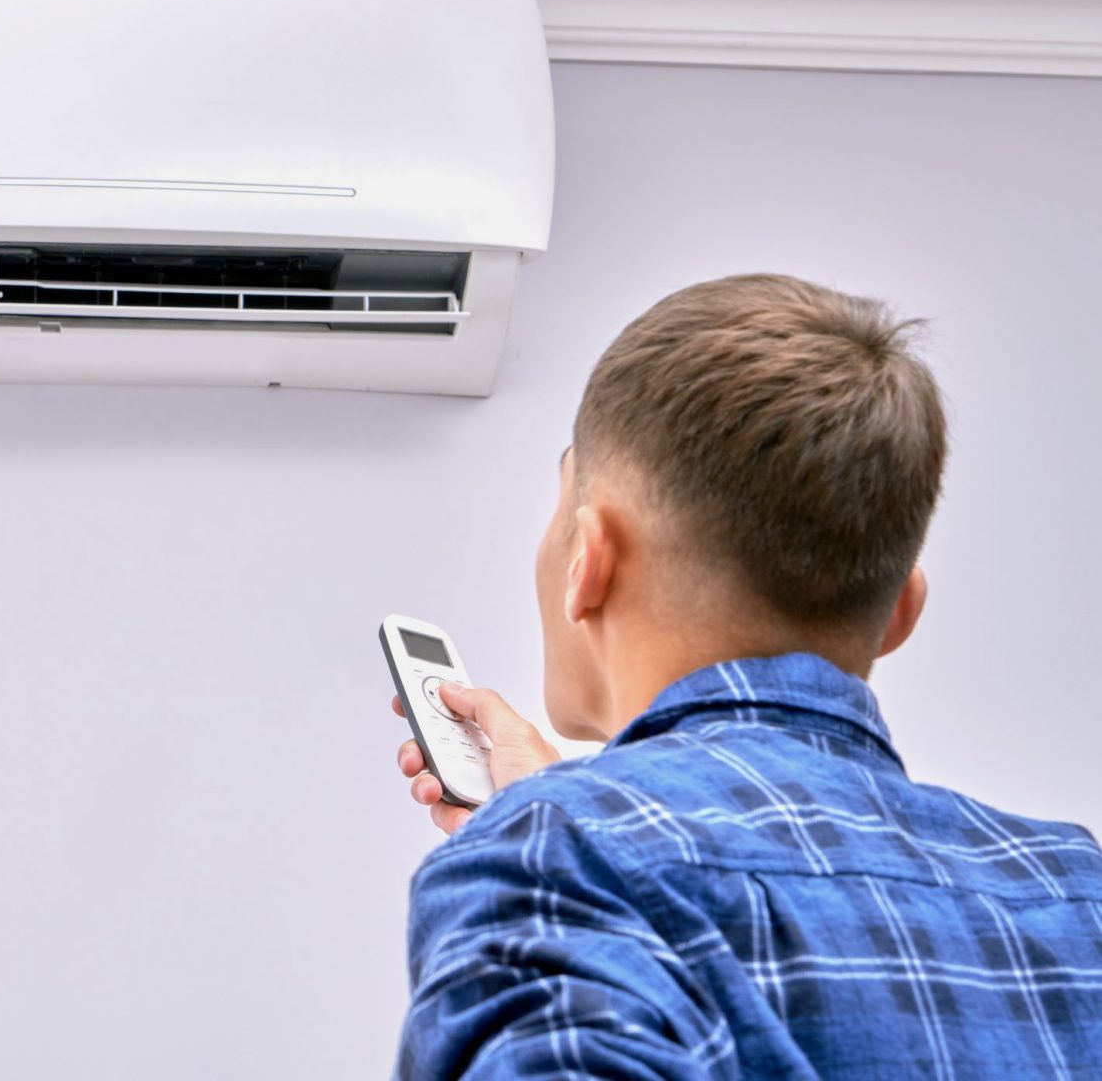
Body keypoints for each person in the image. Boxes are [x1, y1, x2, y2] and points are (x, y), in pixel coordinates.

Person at [390, 274, 1102, 1078]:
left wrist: (555, 841)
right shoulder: (1075, 889)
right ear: (901, 612)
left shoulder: (552, 859)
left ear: (588, 561)